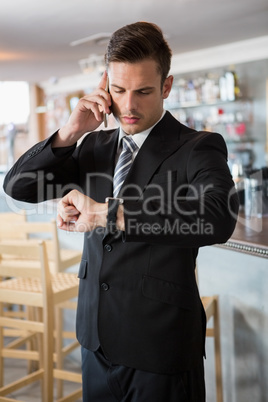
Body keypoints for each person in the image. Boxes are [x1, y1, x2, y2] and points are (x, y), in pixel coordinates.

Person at [4, 21, 239, 402]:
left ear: (166, 87)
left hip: (159, 347)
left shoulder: (198, 146)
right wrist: (69, 131)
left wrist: (109, 214)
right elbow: (18, 186)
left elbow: (216, 217)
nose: (128, 106)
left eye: (144, 91)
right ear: (105, 87)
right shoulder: (93, 144)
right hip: (96, 339)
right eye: (118, 90)